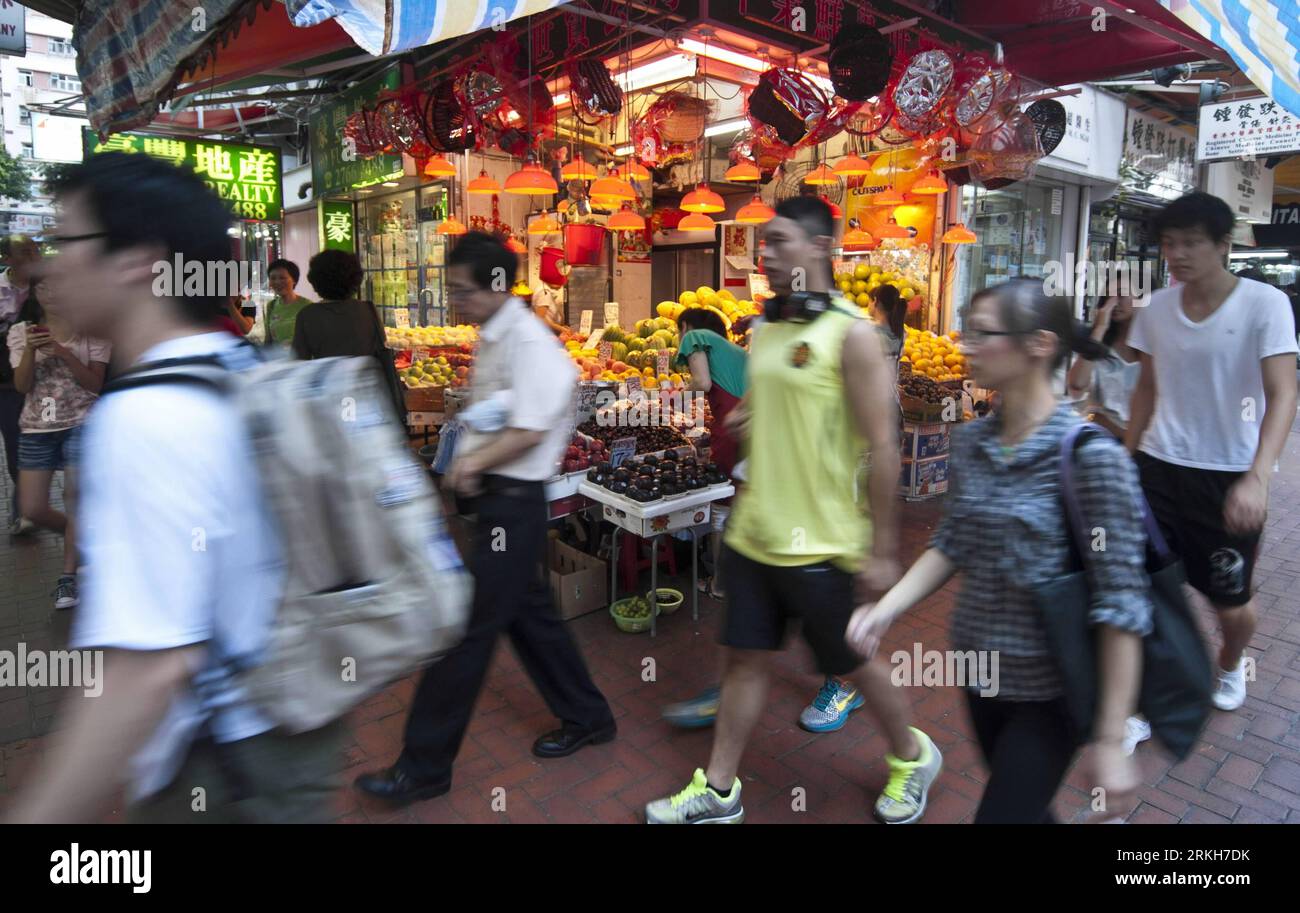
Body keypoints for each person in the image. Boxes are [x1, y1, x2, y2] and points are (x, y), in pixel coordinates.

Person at [5, 151, 343, 823]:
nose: (51, 263)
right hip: (293, 730)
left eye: (68, 240)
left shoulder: (146, 414)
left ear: (137, 259)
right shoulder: (240, 361)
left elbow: (149, 667)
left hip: (222, 768)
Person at [645, 196, 940, 824]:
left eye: (779, 242)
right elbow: (765, 402)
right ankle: (720, 790)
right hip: (756, 532)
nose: (766, 254)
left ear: (819, 250)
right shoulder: (768, 327)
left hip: (822, 542)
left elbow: (884, 446)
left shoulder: (851, 336)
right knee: (745, 660)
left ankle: (913, 756)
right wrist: (752, 418)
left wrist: (884, 549)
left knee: (854, 664)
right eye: (764, 243)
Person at [847, 280, 1150, 824]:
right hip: (981, 673)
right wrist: (885, 609)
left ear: (1038, 344)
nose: (965, 345)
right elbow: (954, 541)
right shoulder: (972, 442)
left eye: (982, 334)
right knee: (1023, 809)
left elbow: (1122, 602)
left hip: (1053, 686)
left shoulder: (1091, 459)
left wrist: (1109, 737)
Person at [355, 232, 615, 805]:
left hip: (515, 501)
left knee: (466, 631)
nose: (455, 301)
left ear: (496, 284)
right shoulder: (495, 335)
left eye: (462, 290)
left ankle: (424, 766)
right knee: (531, 617)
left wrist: (473, 463)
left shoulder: (529, 342)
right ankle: (589, 717)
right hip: (503, 500)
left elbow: (530, 425)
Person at [1125, 192, 1299, 714]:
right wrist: (1126, 459)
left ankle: (1228, 665)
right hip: (1158, 467)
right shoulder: (1155, 308)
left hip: (1227, 477)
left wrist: (1259, 478)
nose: (1177, 254)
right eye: (1169, 243)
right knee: (1142, 586)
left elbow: (1284, 393)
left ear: (1224, 245)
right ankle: (1139, 700)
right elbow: (1147, 390)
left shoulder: (1264, 304)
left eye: (1191, 243)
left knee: (1230, 600)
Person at [6, 279, 109, 609]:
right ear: (36, 294)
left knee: (75, 500)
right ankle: (82, 538)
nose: (53, 293)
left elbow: (94, 384)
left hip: (82, 423)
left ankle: (67, 579)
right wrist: (32, 352)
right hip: (37, 426)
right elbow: (22, 386)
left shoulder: (93, 329)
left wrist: (63, 353)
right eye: (44, 288)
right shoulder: (22, 332)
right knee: (32, 508)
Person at [292, 249, 404, 417]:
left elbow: (299, 364)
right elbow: (381, 352)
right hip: (368, 394)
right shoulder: (367, 310)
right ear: (355, 279)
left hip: (330, 395)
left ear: (315, 280)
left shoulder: (307, 315)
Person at [0, 235, 41, 534]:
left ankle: (25, 510)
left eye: (36, 250)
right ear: (7, 259)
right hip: (5, 385)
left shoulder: (46, 289)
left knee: (36, 443)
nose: (34, 256)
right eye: (25, 252)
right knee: (15, 448)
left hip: (41, 382)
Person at [1065, 295, 1139, 440]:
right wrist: (1099, 328)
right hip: (1104, 437)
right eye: (1108, 297)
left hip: (1145, 444)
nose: (1114, 302)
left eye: (1121, 294)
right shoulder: (1099, 345)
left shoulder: (1153, 347)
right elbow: (1077, 385)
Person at [262, 258, 311, 346]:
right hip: (278, 359)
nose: (277, 282)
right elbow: (268, 340)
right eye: (273, 278)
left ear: (294, 280)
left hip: (301, 358)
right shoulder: (271, 306)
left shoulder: (307, 306)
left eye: (282, 278)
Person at [870, 283, 907, 381]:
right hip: (891, 393)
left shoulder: (869, 333)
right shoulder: (901, 332)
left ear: (875, 301)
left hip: (873, 394)